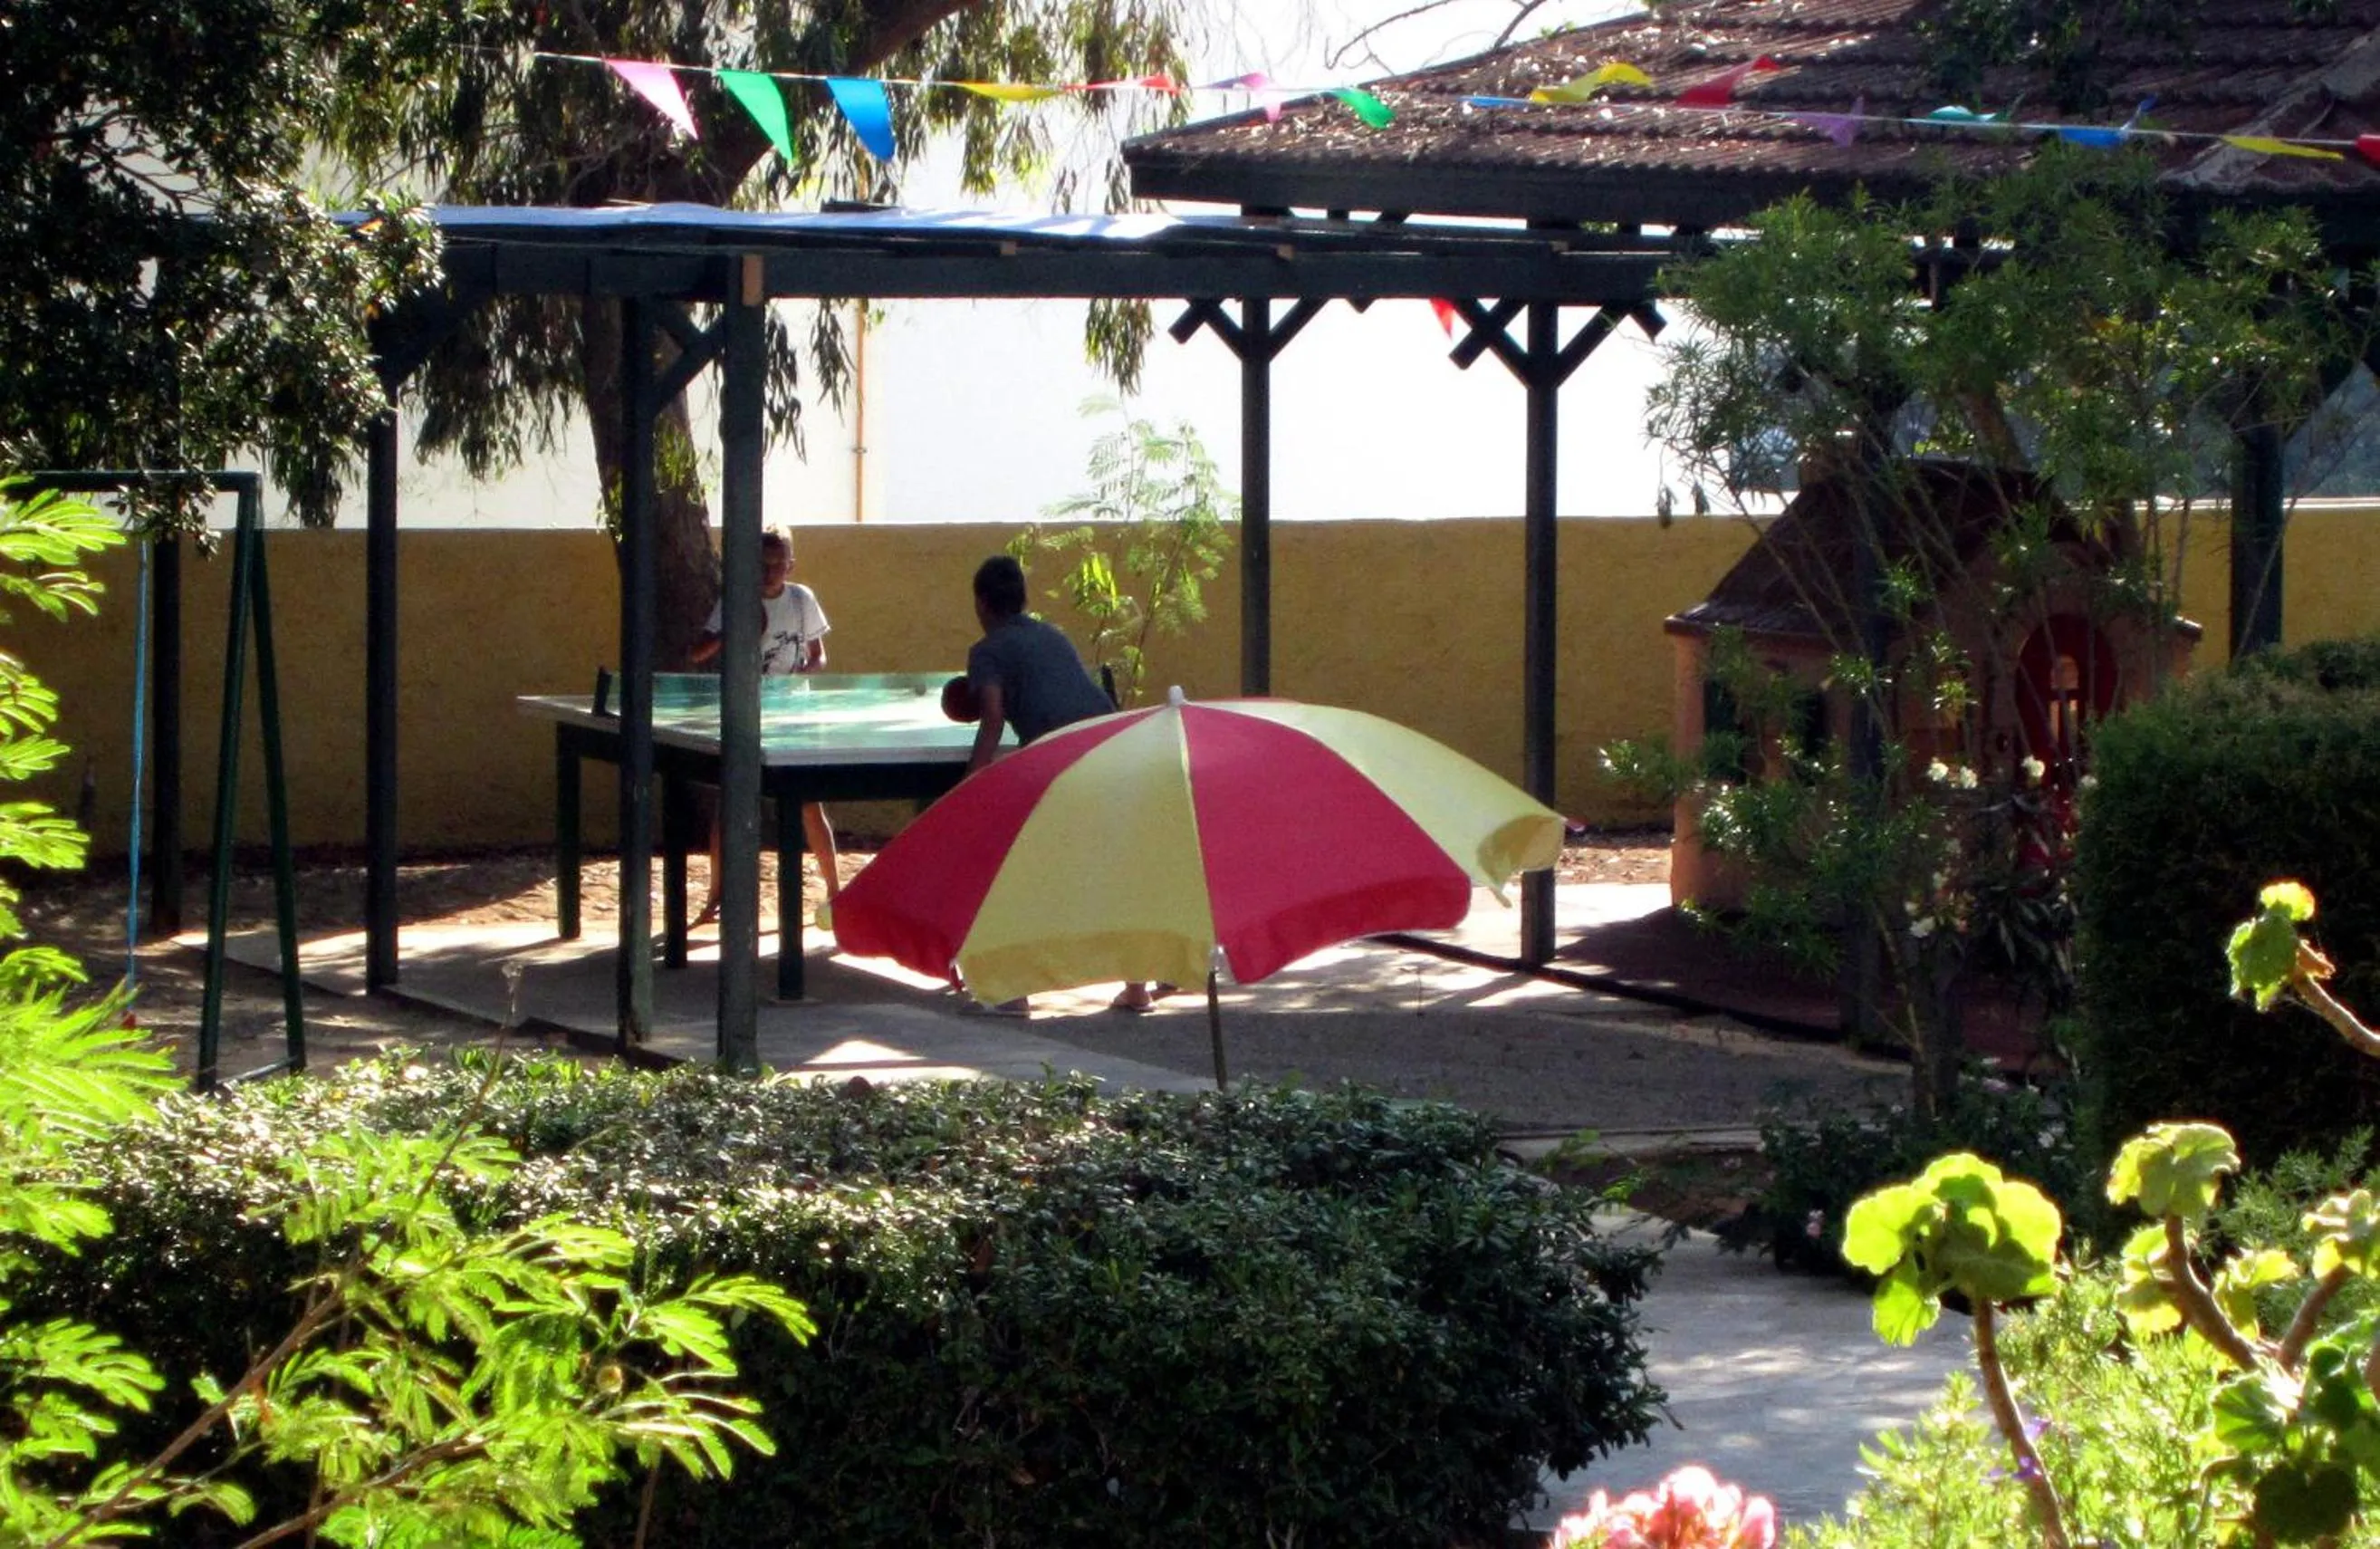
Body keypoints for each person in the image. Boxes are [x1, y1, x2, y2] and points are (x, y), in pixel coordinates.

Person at [959, 555, 1173, 1014]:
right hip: (1113, 747)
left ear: (980, 602)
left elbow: (993, 718)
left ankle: (1013, 989)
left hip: (1064, 759)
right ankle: (1137, 987)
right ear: (1024, 598)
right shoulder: (1051, 635)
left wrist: (970, 781)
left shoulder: (988, 651)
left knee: (1024, 867)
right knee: (1115, 863)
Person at [687, 531, 838, 923]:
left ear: (791, 564)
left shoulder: (802, 600)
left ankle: (837, 892)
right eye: (763, 563)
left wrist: (802, 674)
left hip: (793, 714)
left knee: (809, 804)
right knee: (731, 805)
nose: (771, 570)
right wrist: (734, 633)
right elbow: (697, 651)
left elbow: (819, 656)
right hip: (746, 714)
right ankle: (717, 895)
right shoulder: (736, 600)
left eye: (779, 562)